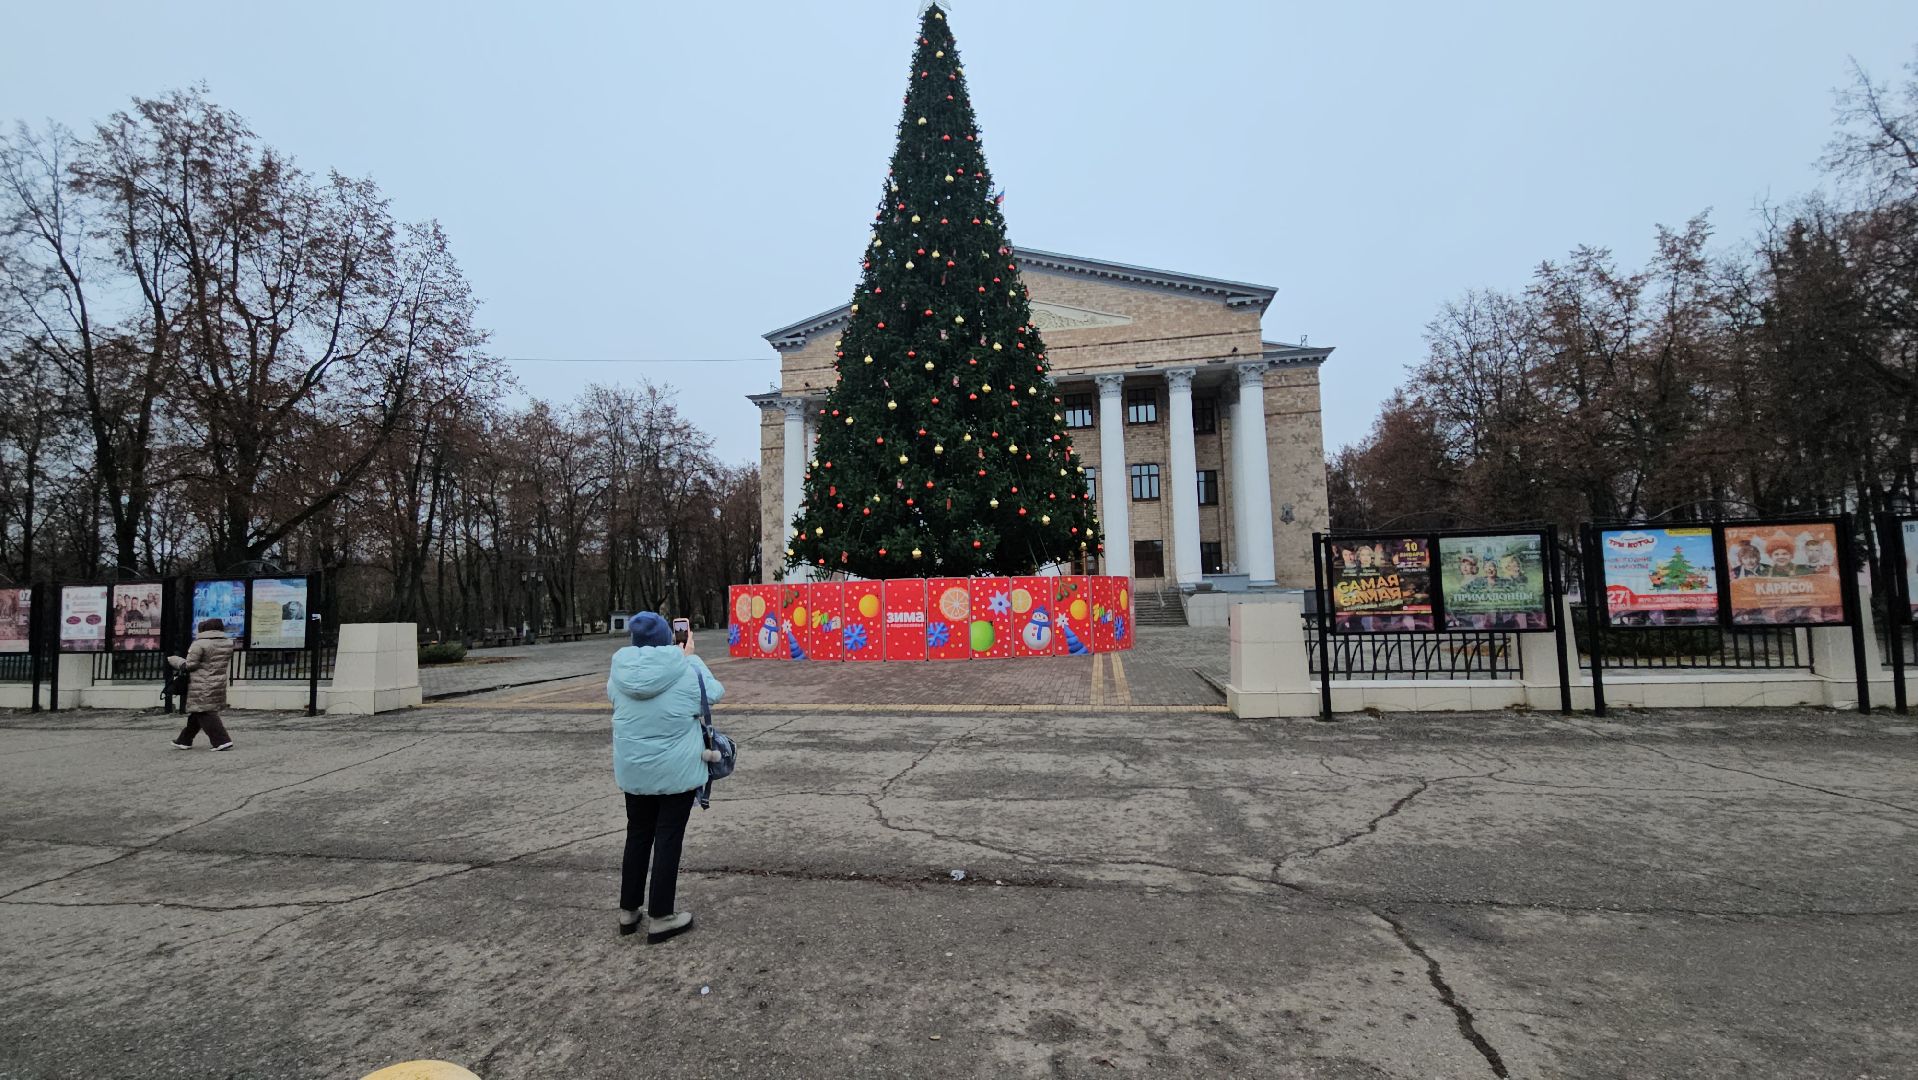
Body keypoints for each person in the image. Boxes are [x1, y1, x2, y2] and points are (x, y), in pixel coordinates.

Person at [608, 612, 725, 944]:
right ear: (670, 638)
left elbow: (614, 701)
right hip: (677, 771)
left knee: (638, 834)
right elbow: (714, 694)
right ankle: (662, 915)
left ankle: (628, 911)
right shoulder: (685, 670)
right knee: (668, 836)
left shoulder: (617, 674)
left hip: (633, 769)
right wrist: (692, 657)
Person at [168, 617, 237, 751]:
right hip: (217, 681)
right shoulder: (228, 643)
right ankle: (184, 740)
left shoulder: (199, 644)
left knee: (205, 711)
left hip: (201, 683)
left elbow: (190, 665)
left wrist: (176, 661)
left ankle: (221, 741)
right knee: (198, 711)